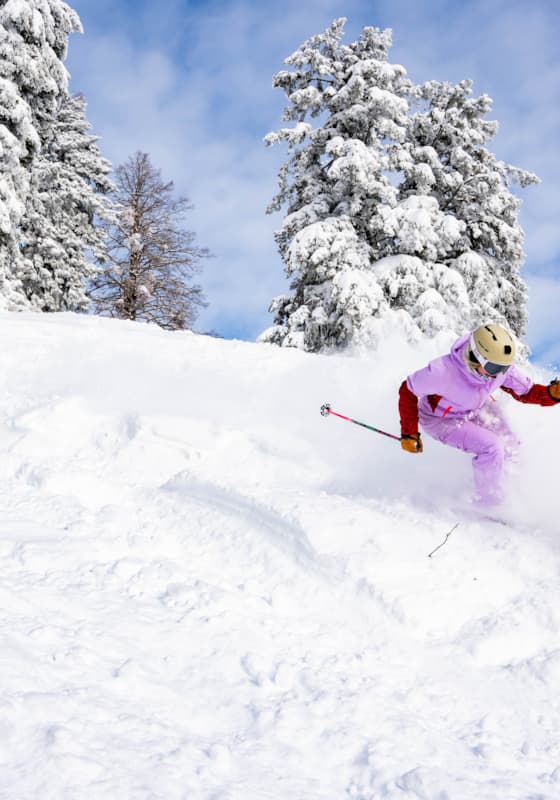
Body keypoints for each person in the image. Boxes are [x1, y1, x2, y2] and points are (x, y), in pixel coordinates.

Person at [398, 323, 560, 507]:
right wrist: (409, 432)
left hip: (474, 407)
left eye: (504, 368)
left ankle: (509, 487)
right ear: (476, 355)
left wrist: (551, 394)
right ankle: (490, 503)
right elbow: (408, 390)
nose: (498, 374)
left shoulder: (497, 368)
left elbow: (526, 391)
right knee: (492, 446)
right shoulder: (442, 371)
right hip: (441, 420)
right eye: (493, 368)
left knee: (511, 443)